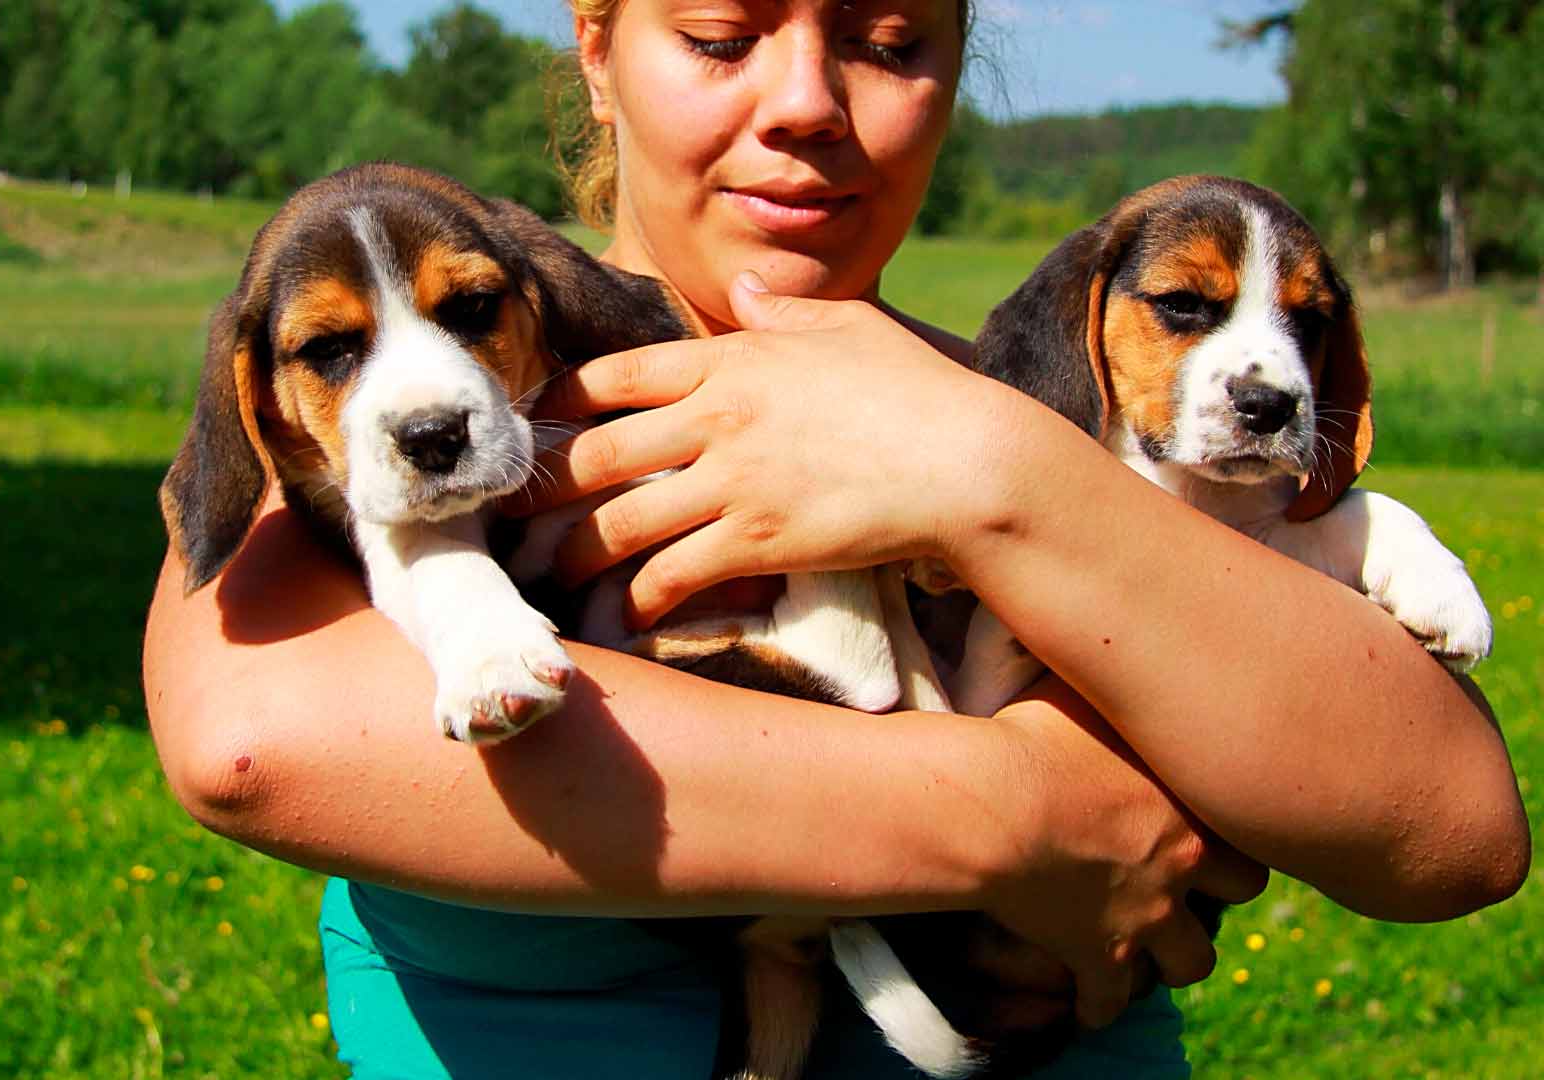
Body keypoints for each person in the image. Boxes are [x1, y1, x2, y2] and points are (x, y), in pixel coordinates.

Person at [141, 0, 1530, 1075]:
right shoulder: (416, 397)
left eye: (887, 39)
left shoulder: (1054, 425)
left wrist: (992, 473)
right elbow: (249, 742)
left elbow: (1457, 833)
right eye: (722, 36)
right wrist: (1031, 814)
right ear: (599, 43)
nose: (807, 102)